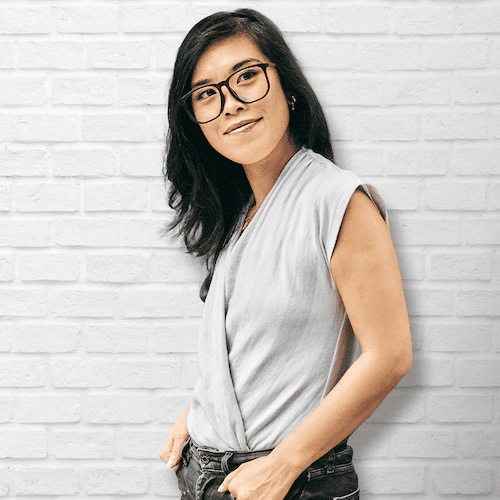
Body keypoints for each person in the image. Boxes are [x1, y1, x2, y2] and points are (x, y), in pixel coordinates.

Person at [159, 8, 412, 500]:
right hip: (207, 470)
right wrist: (200, 413)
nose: (230, 104)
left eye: (247, 77)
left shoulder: (339, 200)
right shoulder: (241, 216)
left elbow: (390, 355)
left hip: (287, 482)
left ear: (290, 89)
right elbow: (262, 349)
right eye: (207, 94)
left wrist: (282, 466)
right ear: (198, 124)